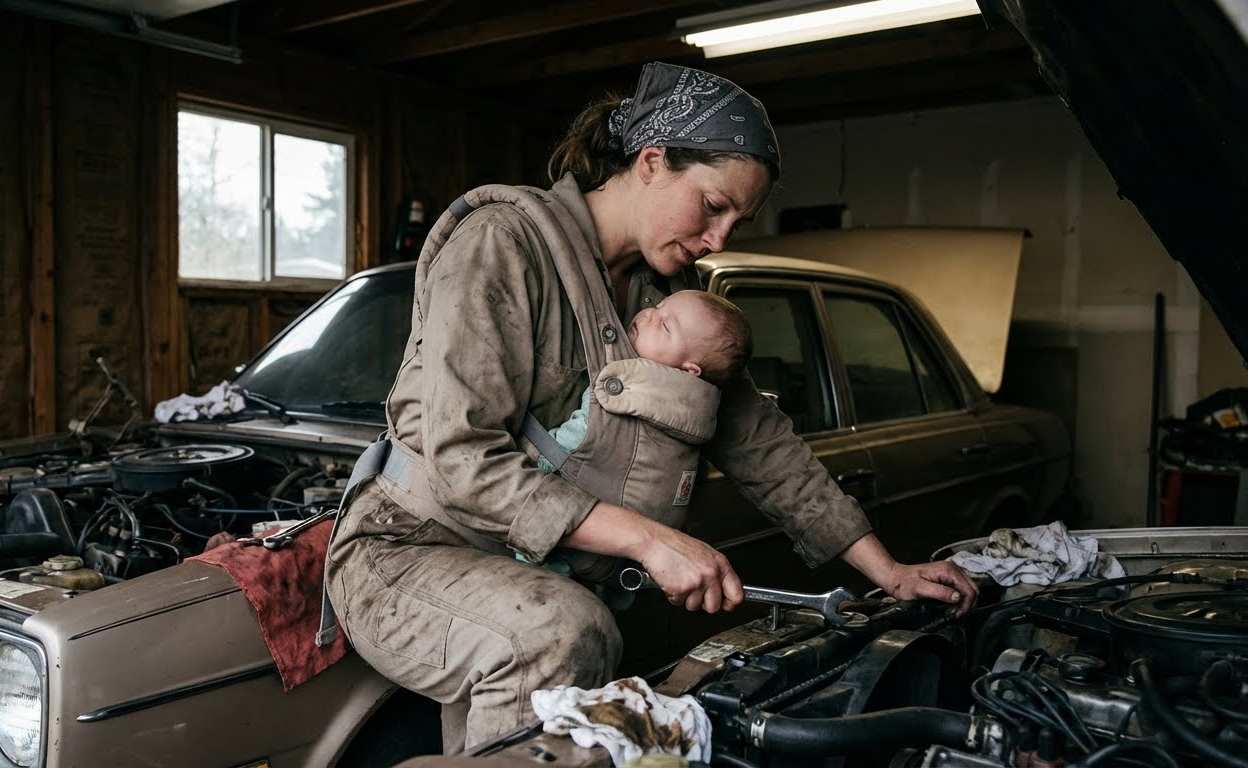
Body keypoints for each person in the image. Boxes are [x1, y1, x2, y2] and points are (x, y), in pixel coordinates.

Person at [323, 61, 979, 753]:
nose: (719, 238)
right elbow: (462, 458)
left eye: (737, 220)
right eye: (712, 205)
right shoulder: (502, 242)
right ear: (652, 161)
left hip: (530, 572)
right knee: (559, 632)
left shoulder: (669, 294)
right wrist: (647, 539)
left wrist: (887, 570)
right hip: (409, 548)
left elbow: (759, 442)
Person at [537, 289, 751, 475]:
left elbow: (579, 438)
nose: (649, 315)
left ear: (688, 370)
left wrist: (539, 461)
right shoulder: (695, 409)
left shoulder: (629, 389)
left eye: (666, 326)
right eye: (658, 307)